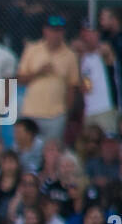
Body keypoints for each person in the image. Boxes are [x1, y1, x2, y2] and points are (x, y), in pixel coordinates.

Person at [16, 16, 79, 144]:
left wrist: (66, 114)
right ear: (45, 31)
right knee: (27, 148)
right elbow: (20, 79)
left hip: (56, 115)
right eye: (53, 30)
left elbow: (72, 88)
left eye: (59, 30)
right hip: (31, 112)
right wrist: (38, 72)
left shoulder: (70, 55)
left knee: (52, 151)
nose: (56, 34)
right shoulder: (32, 50)